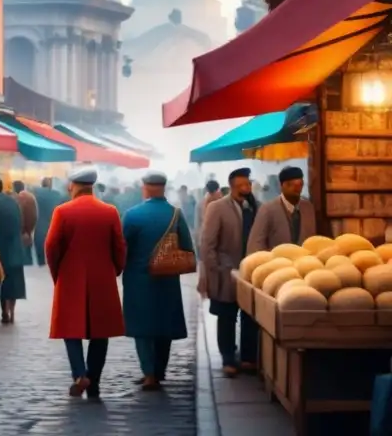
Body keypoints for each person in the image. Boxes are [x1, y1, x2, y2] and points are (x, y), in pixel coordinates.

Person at [45, 167, 126, 399]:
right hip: (102, 278)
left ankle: (80, 374)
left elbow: (51, 246)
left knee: (70, 329)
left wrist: (57, 273)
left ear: (73, 185)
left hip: (70, 277)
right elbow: (119, 246)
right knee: (101, 332)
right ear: (92, 186)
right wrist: (116, 269)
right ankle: (95, 382)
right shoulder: (110, 211)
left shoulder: (62, 211)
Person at [122, 171, 194, 391]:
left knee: (143, 328)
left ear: (145, 187)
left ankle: (149, 373)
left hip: (138, 279)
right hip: (167, 278)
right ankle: (160, 370)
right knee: (164, 324)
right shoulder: (175, 214)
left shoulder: (132, 215)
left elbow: (123, 248)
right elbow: (188, 247)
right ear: (164, 188)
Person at [199, 167, 259, 377]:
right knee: (226, 316)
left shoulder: (256, 207)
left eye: (248, 184)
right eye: (242, 185)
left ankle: (249, 358)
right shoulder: (217, 208)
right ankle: (228, 358)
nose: (246, 188)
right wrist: (215, 268)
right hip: (226, 271)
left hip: (251, 271)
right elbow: (207, 243)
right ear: (233, 187)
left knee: (250, 316)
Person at [0, 177, 27, 323]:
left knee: (2, 282)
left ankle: (4, 311)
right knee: (14, 282)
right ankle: (12, 312)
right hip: (15, 248)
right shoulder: (13, 202)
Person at [247, 165, 316, 253]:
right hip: (276, 263)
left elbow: (313, 240)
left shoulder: (308, 208)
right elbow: (255, 245)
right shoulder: (268, 210)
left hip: (303, 263)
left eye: (299, 185)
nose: (296, 189)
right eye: (291, 185)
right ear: (282, 186)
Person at [32, 177, 64, 267]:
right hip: (53, 223)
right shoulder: (57, 194)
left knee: (39, 246)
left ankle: (41, 263)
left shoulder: (36, 194)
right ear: (50, 185)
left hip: (39, 223)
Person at [12, 180, 37, 266]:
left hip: (19, 235)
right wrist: (29, 231)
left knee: (20, 263)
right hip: (28, 233)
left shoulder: (17, 198)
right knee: (28, 260)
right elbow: (34, 215)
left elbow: (20, 217)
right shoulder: (30, 197)